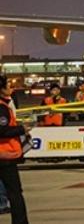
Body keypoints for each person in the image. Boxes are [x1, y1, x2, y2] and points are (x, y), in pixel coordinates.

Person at [0, 75, 29, 224]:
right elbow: (2, 130)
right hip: (4, 156)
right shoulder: (2, 108)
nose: (11, 88)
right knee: (15, 193)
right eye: (8, 85)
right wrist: (21, 129)